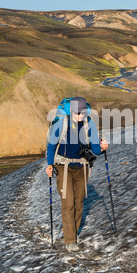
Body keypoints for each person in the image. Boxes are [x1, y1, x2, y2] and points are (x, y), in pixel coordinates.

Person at [46, 97, 108, 252]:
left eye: (83, 113)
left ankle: (73, 233)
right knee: (68, 204)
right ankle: (70, 240)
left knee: (79, 204)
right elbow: (52, 146)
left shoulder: (89, 125)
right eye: (78, 113)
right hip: (63, 168)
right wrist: (49, 165)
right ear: (72, 111)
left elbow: (95, 149)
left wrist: (103, 148)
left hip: (82, 168)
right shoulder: (61, 124)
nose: (81, 116)